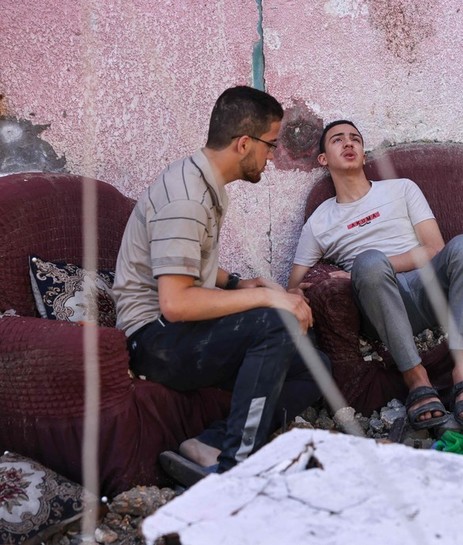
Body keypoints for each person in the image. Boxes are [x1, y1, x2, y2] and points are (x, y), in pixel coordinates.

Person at [112, 86, 329, 483]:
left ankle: (210, 444)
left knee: (315, 365)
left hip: (177, 330)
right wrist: (266, 298)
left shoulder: (204, 184)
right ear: (244, 143)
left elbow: (187, 265)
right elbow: (176, 303)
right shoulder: (187, 199)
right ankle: (236, 468)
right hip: (152, 339)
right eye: (270, 145)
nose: (271, 156)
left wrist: (242, 284)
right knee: (276, 321)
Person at [287, 120, 463, 430]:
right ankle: (416, 379)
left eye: (355, 139)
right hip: (377, 302)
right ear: (323, 159)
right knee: (369, 262)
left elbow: (435, 248)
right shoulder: (319, 221)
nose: (349, 143)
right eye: (338, 140)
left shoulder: (401, 188)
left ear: (363, 153)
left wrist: (361, 270)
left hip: (426, 288)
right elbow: (295, 283)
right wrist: (303, 292)